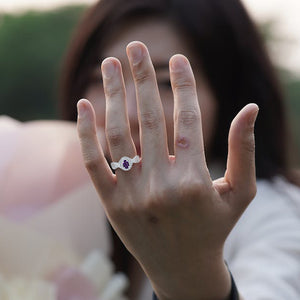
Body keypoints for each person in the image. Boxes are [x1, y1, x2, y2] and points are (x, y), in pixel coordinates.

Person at [59, 0, 300, 299]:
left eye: (163, 81)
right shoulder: (63, 213)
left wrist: (189, 274)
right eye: (103, 79)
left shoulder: (278, 214)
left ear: (226, 96)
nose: (131, 113)